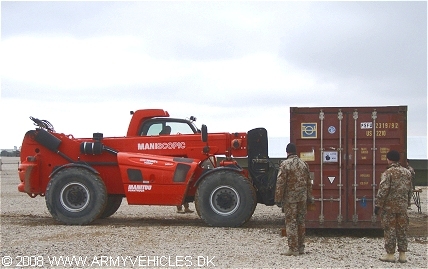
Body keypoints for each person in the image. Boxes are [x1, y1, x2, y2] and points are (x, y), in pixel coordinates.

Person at [275, 143, 313, 256]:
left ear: (287, 152)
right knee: (301, 221)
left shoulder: (285, 165)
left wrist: (278, 198)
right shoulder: (304, 164)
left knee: (291, 222)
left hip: (290, 199)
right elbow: (308, 183)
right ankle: (301, 247)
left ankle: (293, 249)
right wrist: (309, 198)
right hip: (302, 198)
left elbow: (280, 183)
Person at [375, 150, 412, 263]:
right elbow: (410, 190)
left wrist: (378, 205)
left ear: (389, 159)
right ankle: (402, 255)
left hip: (389, 207)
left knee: (390, 229)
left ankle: (390, 255)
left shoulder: (388, 173)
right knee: (402, 229)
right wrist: (407, 203)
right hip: (402, 207)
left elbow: (383, 190)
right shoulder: (407, 172)